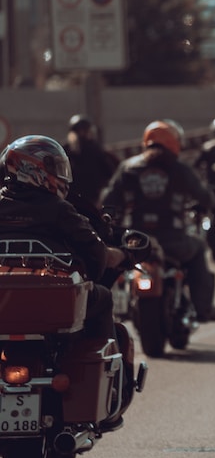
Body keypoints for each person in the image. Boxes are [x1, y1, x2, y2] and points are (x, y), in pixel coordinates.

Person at [0, 135, 135, 423]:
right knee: (103, 296)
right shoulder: (57, 209)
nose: (60, 174)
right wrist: (100, 269)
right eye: (53, 166)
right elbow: (95, 252)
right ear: (32, 169)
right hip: (51, 303)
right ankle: (109, 385)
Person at [102, 120, 215, 322]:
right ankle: (203, 308)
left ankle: (106, 308)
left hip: (136, 242)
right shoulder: (180, 170)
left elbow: (108, 203)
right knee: (199, 248)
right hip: (173, 241)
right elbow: (205, 197)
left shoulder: (128, 168)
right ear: (174, 143)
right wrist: (212, 200)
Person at [62, 115, 120, 209]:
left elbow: (108, 172)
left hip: (78, 197)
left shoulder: (66, 149)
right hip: (86, 198)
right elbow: (109, 173)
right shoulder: (94, 149)